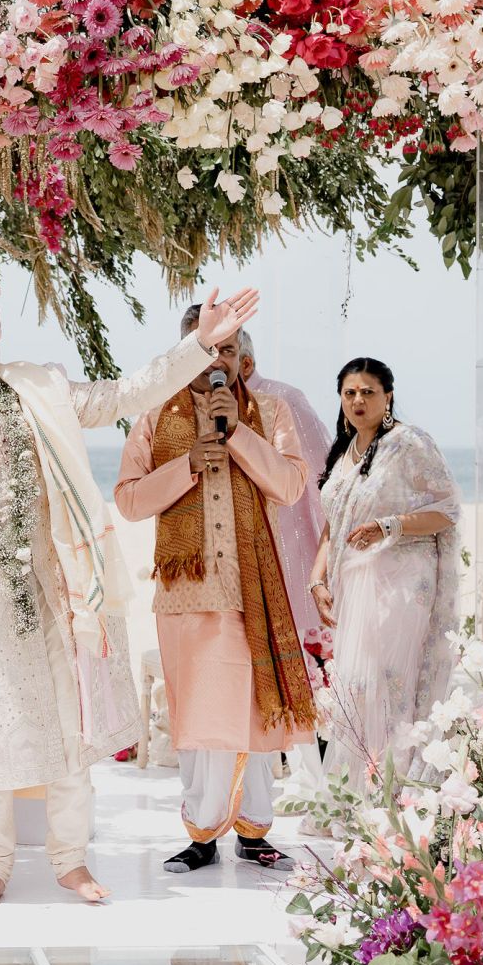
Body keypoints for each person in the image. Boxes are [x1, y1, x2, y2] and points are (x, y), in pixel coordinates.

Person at [0, 272, 261, 908]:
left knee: (69, 730)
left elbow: (123, 396)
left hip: (56, 587)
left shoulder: (38, 389)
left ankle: (71, 862)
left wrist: (199, 347)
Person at [114, 307, 315, 874]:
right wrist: (186, 465)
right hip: (187, 594)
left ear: (243, 361)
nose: (215, 361)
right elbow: (129, 500)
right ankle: (201, 834)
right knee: (199, 719)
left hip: (253, 589)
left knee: (253, 712)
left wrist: (241, 434)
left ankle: (253, 832)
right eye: (205, 349)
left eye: (226, 351)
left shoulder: (269, 414)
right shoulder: (155, 418)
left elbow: (291, 484)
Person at [309, 358, 460, 789]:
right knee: (357, 685)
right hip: (355, 584)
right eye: (349, 393)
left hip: (402, 581)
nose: (358, 400)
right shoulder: (345, 452)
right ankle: (357, 788)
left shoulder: (409, 443)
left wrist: (388, 526)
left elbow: (445, 511)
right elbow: (332, 524)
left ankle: (393, 790)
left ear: (388, 396)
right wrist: (316, 579)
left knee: (389, 681)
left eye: (368, 392)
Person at [238, 331, 332, 634]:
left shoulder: (284, 399)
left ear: (246, 364)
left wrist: (328, 557)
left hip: (290, 556)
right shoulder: (199, 409)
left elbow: (326, 480)